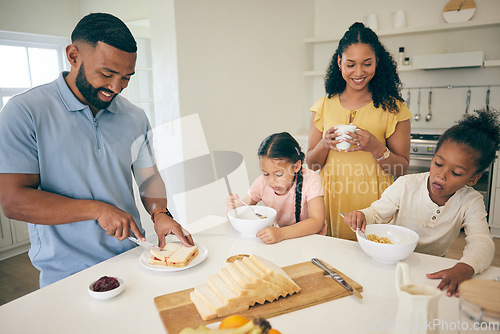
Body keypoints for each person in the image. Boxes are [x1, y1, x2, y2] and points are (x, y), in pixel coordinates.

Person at [0, 13, 193, 287]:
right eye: (107, 73)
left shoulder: (135, 117)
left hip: (132, 259)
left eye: (126, 77)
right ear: (73, 55)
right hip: (65, 275)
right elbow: (13, 201)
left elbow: (149, 176)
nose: (116, 87)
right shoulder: (24, 112)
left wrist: (160, 214)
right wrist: (97, 210)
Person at [343, 108, 499, 297]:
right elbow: (376, 213)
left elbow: (482, 242)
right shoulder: (407, 185)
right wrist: (362, 215)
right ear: (433, 159)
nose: (441, 176)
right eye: (438, 164)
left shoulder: (471, 201)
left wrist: (466, 267)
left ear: (473, 178)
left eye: (456, 173)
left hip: (431, 265)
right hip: (393, 259)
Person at [306, 22, 412, 240]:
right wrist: (324, 144)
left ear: (377, 62)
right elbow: (312, 164)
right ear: (339, 62)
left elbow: (401, 169)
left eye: (367, 64)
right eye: (351, 64)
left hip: (374, 203)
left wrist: (376, 148)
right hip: (330, 200)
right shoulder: (323, 106)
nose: (358, 72)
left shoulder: (394, 109)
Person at [226, 132, 326, 244]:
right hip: (281, 243)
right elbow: (242, 211)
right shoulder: (261, 183)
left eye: (278, 174)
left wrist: (281, 233)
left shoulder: (311, 180)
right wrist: (233, 208)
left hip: (311, 242)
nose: (271, 181)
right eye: (266, 174)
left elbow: (317, 222)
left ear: (296, 166)